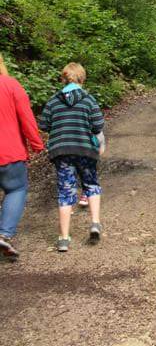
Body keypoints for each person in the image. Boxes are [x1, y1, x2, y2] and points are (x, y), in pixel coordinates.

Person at [40, 62, 104, 253]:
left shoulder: (53, 101)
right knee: (91, 184)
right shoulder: (89, 100)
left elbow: (43, 125)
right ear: (82, 79)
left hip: (62, 152)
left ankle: (64, 238)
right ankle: (94, 223)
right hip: (85, 150)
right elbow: (98, 125)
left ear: (63, 79)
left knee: (65, 191)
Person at [0, 54, 44, 260]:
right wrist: (36, 143)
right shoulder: (10, 85)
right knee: (16, 189)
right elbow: (26, 117)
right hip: (9, 152)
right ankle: (4, 234)